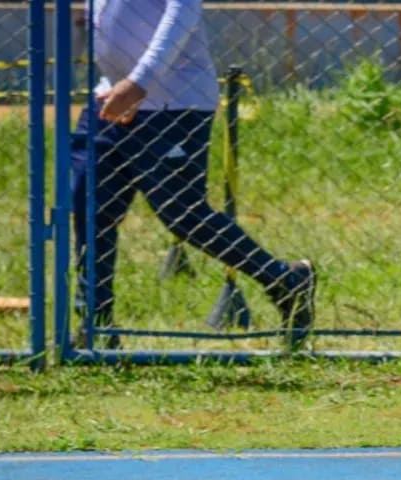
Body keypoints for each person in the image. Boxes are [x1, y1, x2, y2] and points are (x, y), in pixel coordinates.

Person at [72, 0, 315, 347]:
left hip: (174, 102)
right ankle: (96, 327)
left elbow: (181, 15)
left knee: (182, 213)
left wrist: (139, 84)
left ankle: (284, 280)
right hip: (110, 95)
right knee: (89, 203)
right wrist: (121, 86)